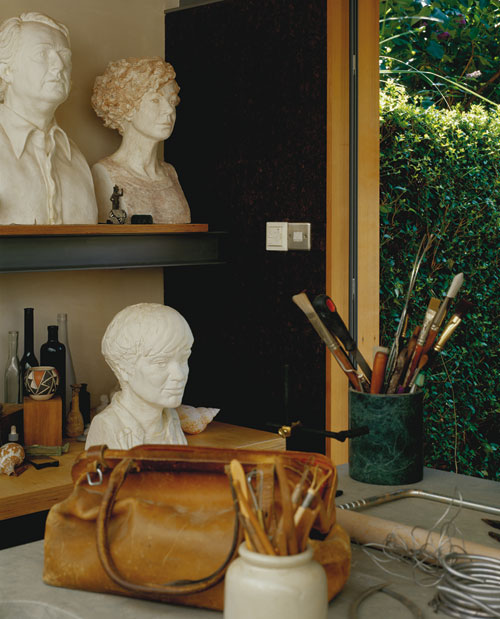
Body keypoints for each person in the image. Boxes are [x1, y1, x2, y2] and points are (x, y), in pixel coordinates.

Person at [0, 12, 97, 224]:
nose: (59, 65)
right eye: (42, 54)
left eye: (65, 56)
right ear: (6, 70)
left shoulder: (76, 158)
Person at [91, 56, 191, 224]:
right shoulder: (105, 173)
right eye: (155, 100)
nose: (169, 110)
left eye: (172, 101)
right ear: (126, 107)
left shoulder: (170, 173)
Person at [85, 303, 194, 449]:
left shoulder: (171, 419)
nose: (180, 375)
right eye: (161, 362)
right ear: (123, 367)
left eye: (183, 359)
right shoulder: (108, 427)